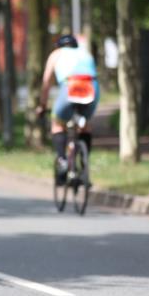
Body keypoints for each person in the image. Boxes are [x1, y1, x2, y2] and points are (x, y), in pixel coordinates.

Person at [36, 34, 99, 185]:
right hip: (92, 87)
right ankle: (84, 166)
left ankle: (62, 160)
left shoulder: (56, 54)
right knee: (85, 125)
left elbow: (46, 83)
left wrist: (42, 106)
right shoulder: (85, 53)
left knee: (57, 123)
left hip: (72, 86)